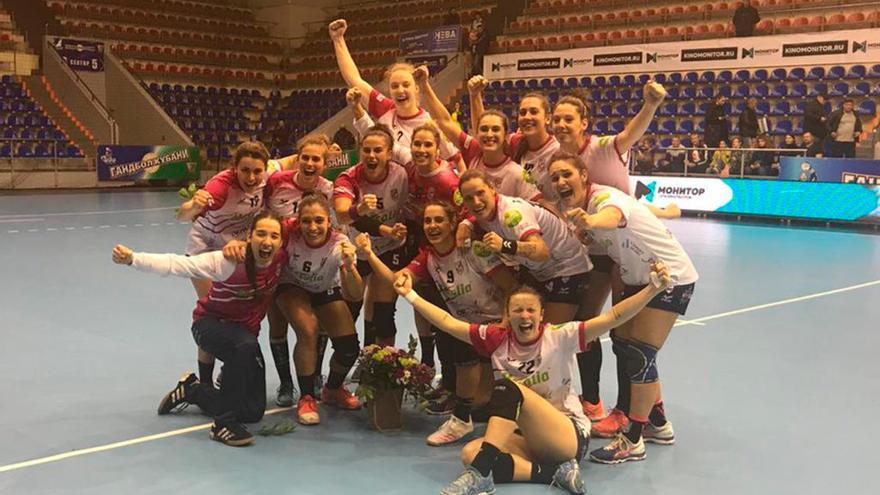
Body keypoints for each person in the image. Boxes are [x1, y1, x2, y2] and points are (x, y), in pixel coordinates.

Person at [394, 261, 673, 493]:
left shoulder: (560, 336)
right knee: (470, 453)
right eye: (517, 310)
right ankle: (551, 473)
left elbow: (613, 316)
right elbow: (446, 322)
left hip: (566, 434)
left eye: (530, 310)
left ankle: (481, 475)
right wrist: (410, 296)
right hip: (526, 436)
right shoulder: (495, 339)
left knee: (507, 391)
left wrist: (652, 289)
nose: (524, 315)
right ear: (507, 315)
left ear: (541, 315)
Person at [548, 151, 698, 462]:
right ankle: (657, 423)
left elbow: (613, 216)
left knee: (641, 353)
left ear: (584, 176)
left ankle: (632, 440)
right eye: (555, 178)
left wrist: (591, 222)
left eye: (567, 175)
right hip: (637, 278)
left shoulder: (603, 201)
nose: (561, 181)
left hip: (668, 276)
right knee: (626, 347)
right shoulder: (576, 207)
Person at [111, 212, 287, 447]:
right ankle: (222, 425)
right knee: (244, 346)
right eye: (261, 234)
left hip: (244, 335)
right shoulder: (228, 261)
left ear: (281, 241)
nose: (267, 241)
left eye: (274, 236)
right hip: (209, 326)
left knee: (253, 412)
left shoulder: (281, 258)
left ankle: (192, 390)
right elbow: (179, 264)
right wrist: (133, 259)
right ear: (249, 236)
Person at [357, 200, 518, 446]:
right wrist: (369, 255)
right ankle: (464, 416)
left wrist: (505, 325)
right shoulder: (428, 258)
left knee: (493, 394)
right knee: (468, 363)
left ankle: (472, 415)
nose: (432, 226)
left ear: (452, 223)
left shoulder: (473, 250)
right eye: (428, 221)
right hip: (466, 327)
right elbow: (397, 280)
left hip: (497, 323)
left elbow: (511, 287)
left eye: (439, 220)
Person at [229, 196, 365, 425]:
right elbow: (262, 237)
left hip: (323, 288)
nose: (313, 227)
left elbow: (355, 294)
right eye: (306, 221)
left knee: (349, 347)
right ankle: (306, 396)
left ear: (329, 222)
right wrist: (238, 243)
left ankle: (332, 389)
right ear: (298, 222)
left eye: (319, 221)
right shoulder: (288, 233)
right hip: (291, 285)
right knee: (308, 330)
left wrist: (350, 266)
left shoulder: (339, 243)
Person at [177, 141, 271, 388]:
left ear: (265, 169)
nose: (251, 177)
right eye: (245, 170)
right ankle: (204, 384)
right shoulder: (220, 187)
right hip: (205, 248)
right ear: (234, 168)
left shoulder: (267, 174)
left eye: (256, 171)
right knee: (214, 314)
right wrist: (194, 205)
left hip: (236, 249)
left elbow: (291, 161)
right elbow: (183, 215)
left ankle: (229, 367)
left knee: (241, 311)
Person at [455, 169, 594, 331]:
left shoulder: (512, 214)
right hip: (543, 274)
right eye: (469, 198)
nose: (476, 202)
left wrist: (505, 245)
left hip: (569, 270)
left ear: (492, 189)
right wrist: (466, 223)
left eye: (480, 193)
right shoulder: (485, 215)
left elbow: (541, 252)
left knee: (546, 339)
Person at [265, 135, 336, 406]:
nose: (309, 163)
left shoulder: (328, 190)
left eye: (316, 159)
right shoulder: (276, 182)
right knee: (278, 324)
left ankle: (314, 375)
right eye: (305, 157)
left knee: (318, 325)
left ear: (324, 163)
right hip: (280, 266)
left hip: (316, 265)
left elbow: (336, 225)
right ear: (297, 158)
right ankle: (285, 383)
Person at [329, 19, 459, 162]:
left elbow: (455, 159)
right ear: (390, 91)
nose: (400, 90)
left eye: (405, 84)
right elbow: (354, 80)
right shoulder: (385, 109)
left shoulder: (429, 123)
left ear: (416, 88)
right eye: (394, 86)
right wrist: (338, 39)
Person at [333, 125, 410, 348]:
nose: (372, 155)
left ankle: (373, 363)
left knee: (384, 315)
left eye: (378, 150)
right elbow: (342, 215)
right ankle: (345, 358)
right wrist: (359, 210)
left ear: (389, 153)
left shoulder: (401, 174)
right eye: (366, 150)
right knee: (350, 309)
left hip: (390, 247)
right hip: (358, 249)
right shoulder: (348, 177)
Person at [418, 71, 542, 203]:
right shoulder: (473, 150)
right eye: (484, 129)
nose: (489, 135)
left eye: (495, 129)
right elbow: (444, 121)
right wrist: (424, 86)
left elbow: (538, 204)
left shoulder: (515, 161)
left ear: (506, 135)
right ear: (477, 133)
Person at [469, 80, 561, 202]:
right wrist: (475, 96)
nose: (527, 117)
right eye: (522, 113)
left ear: (548, 118)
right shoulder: (515, 142)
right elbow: (485, 129)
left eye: (533, 112)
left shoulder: (558, 151)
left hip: (549, 215)